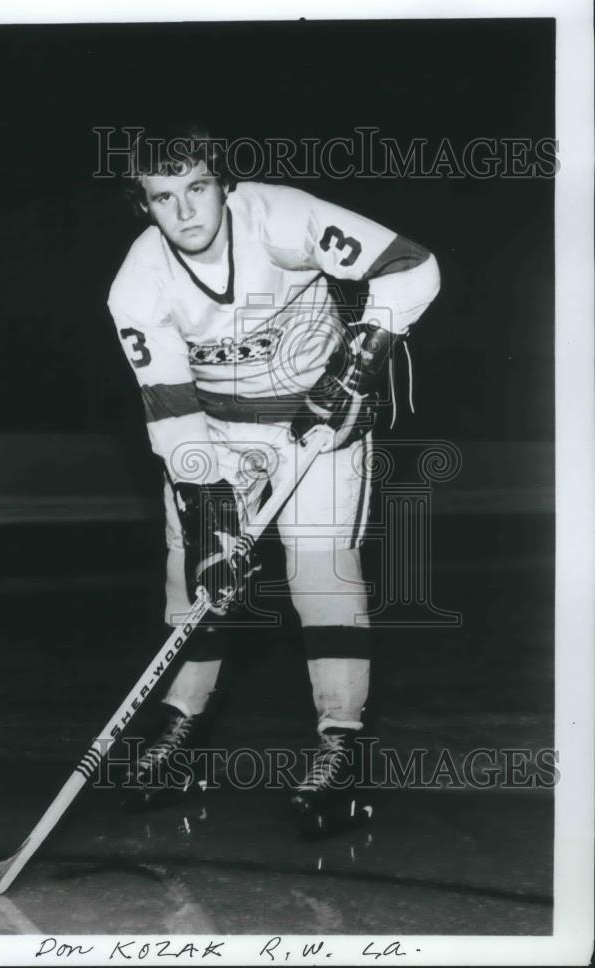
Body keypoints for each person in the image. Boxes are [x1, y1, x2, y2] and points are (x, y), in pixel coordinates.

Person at [106, 125, 440, 835]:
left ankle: (342, 745)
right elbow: (173, 418)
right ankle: (179, 734)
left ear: (224, 184)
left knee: (320, 574)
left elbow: (413, 267)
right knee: (198, 580)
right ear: (145, 206)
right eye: (164, 197)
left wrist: (358, 363)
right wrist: (210, 508)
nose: (186, 211)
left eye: (197, 188)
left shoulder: (282, 218)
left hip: (319, 421)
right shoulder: (137, 287)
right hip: (216, 430)